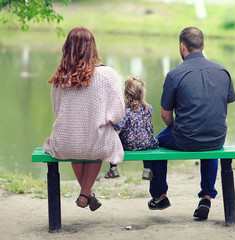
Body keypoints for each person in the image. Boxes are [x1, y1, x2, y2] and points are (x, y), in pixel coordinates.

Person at [147, 27, 235, 220]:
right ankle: (206, 195)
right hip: (217, 136)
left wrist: (175, 127)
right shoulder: (223, 71)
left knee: (155, 144)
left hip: (184, 137)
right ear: (203, 45)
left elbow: (165, 115)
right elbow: (224, 110)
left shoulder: (174, 74)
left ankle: (159, 195)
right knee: (209, 143)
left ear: (182, 47)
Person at [43, 27, 125, 211]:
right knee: (94, 139)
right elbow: (118, 113)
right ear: (92, 48)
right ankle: (85, 193)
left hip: (65, 142)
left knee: (78, 139)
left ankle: (86, 194)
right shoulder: (107, 75)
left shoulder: (60, 78)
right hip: (94, 143)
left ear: (67, 48)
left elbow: (57, 110)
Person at [105, 76, 159, 179]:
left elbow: (118, 126)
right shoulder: (149, 108)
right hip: (147, 143)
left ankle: (113, 168)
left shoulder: (126, 110)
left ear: (126, 93)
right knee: (147, 142)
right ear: (143, 92)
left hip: (129, 144)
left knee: (114, 139)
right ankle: (147, 169)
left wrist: (111, 122)